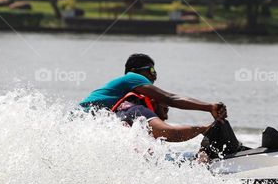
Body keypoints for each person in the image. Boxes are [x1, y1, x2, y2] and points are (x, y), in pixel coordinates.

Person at [79, 53, 243, 158]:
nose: (154, 75)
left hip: (82, 126)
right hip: (81, 119)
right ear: (138, 71)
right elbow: (170, 98)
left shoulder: (125, 105)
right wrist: (208, 108)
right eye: (151, 70)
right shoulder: (132, 79)